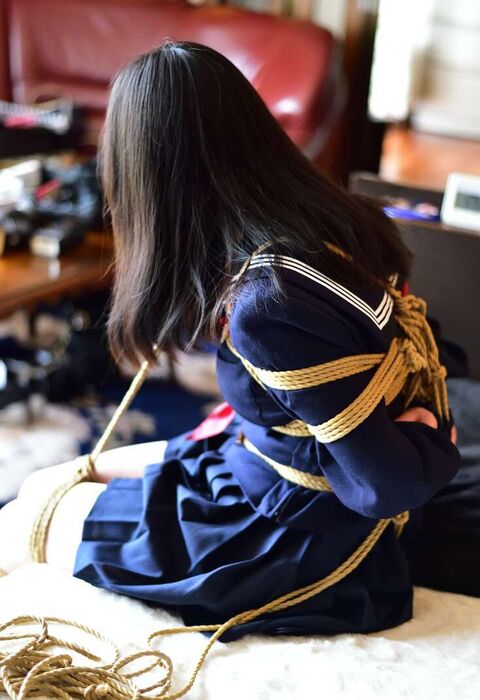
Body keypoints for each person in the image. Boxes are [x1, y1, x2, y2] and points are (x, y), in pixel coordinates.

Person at [0, 41, 461, 641]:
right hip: (262, 462)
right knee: (45, 483)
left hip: (296, 538)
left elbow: (383, 485)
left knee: (26, 523)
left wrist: (428, 439)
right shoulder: (350, 219)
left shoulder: (267, 304)